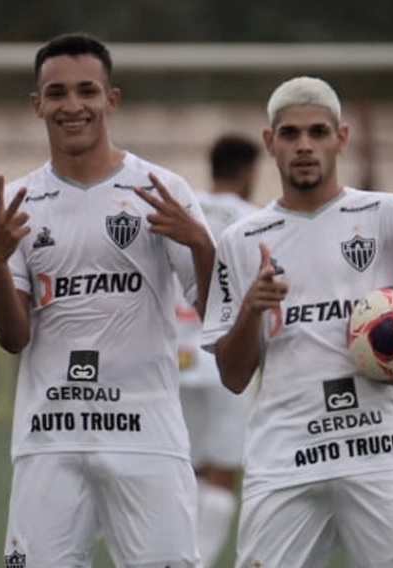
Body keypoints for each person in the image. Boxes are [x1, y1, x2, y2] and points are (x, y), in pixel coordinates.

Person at [201, 76, 393, 567]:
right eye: (290, 135)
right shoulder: (241, 240)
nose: (305, 146)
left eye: (318, 132)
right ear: (270, 144)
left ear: (342, 138)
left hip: (375, 456)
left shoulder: (386, 214)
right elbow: (232, 377)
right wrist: (252, 308)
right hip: (284, 460)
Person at [0, 33, 215, 568]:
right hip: (50, 439)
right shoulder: (14, 203)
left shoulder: (161, 189)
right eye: (56, 93)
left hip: (146, 434)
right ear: (37, 103)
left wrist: (201, 243)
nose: (72, 106)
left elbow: (212, 305)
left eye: (87, 91)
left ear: (111, 100)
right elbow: (13, 336)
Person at [175, 133, 260, 568]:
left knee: (182, 475)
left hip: (175, 361)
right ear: (248, 171)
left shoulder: (185, 214)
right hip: (227, 362)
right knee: (222, 473)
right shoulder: (256, 220)